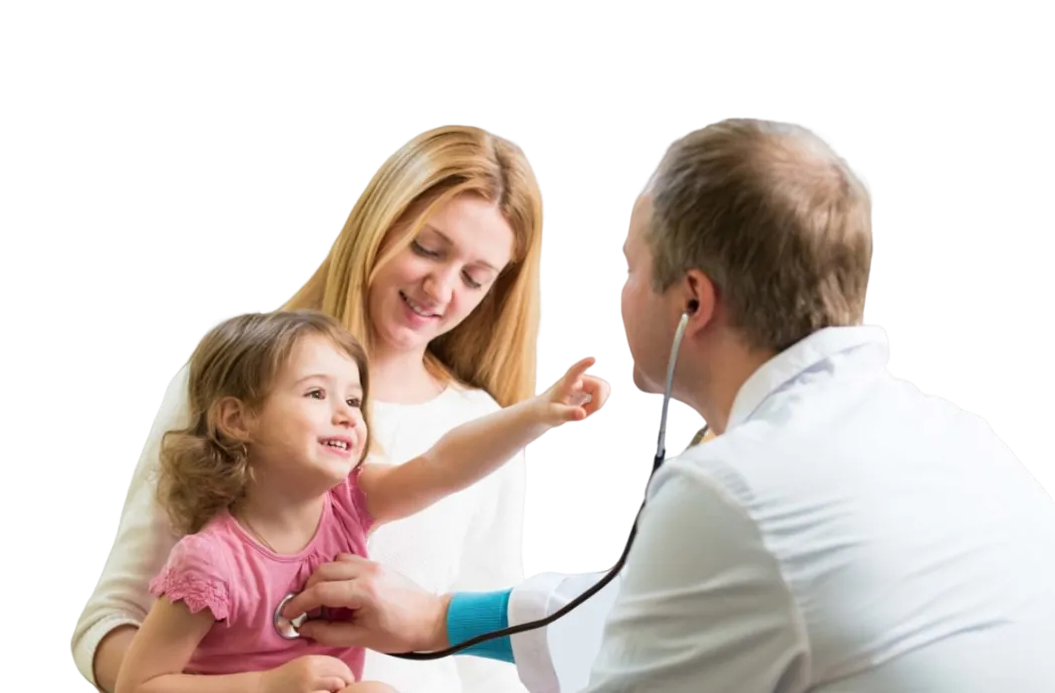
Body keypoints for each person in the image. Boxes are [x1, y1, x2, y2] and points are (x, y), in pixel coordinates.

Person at [277, 118, 1055, 692]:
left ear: (691, 299)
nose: (618, 293)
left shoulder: (733, 489)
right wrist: (440, 616)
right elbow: (677, 609)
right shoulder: (978, 442)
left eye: (628, 265)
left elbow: (644, 646)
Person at [72, 124, 552, 693]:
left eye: (475, 279)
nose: (441, 290)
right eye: (427, 248)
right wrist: (255, 687)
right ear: (378, 227)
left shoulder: (481, 425)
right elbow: (112, 621)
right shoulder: (237, 378)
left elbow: (489, 657)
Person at [112, 309, 608, 693]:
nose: (347, 415)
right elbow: (141, 683)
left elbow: (443, 465)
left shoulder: (348, 504)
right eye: (315, 394)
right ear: (237, 420)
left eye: (353, 400)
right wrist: (264, 686)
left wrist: (536, 415)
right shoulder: (210, 561)